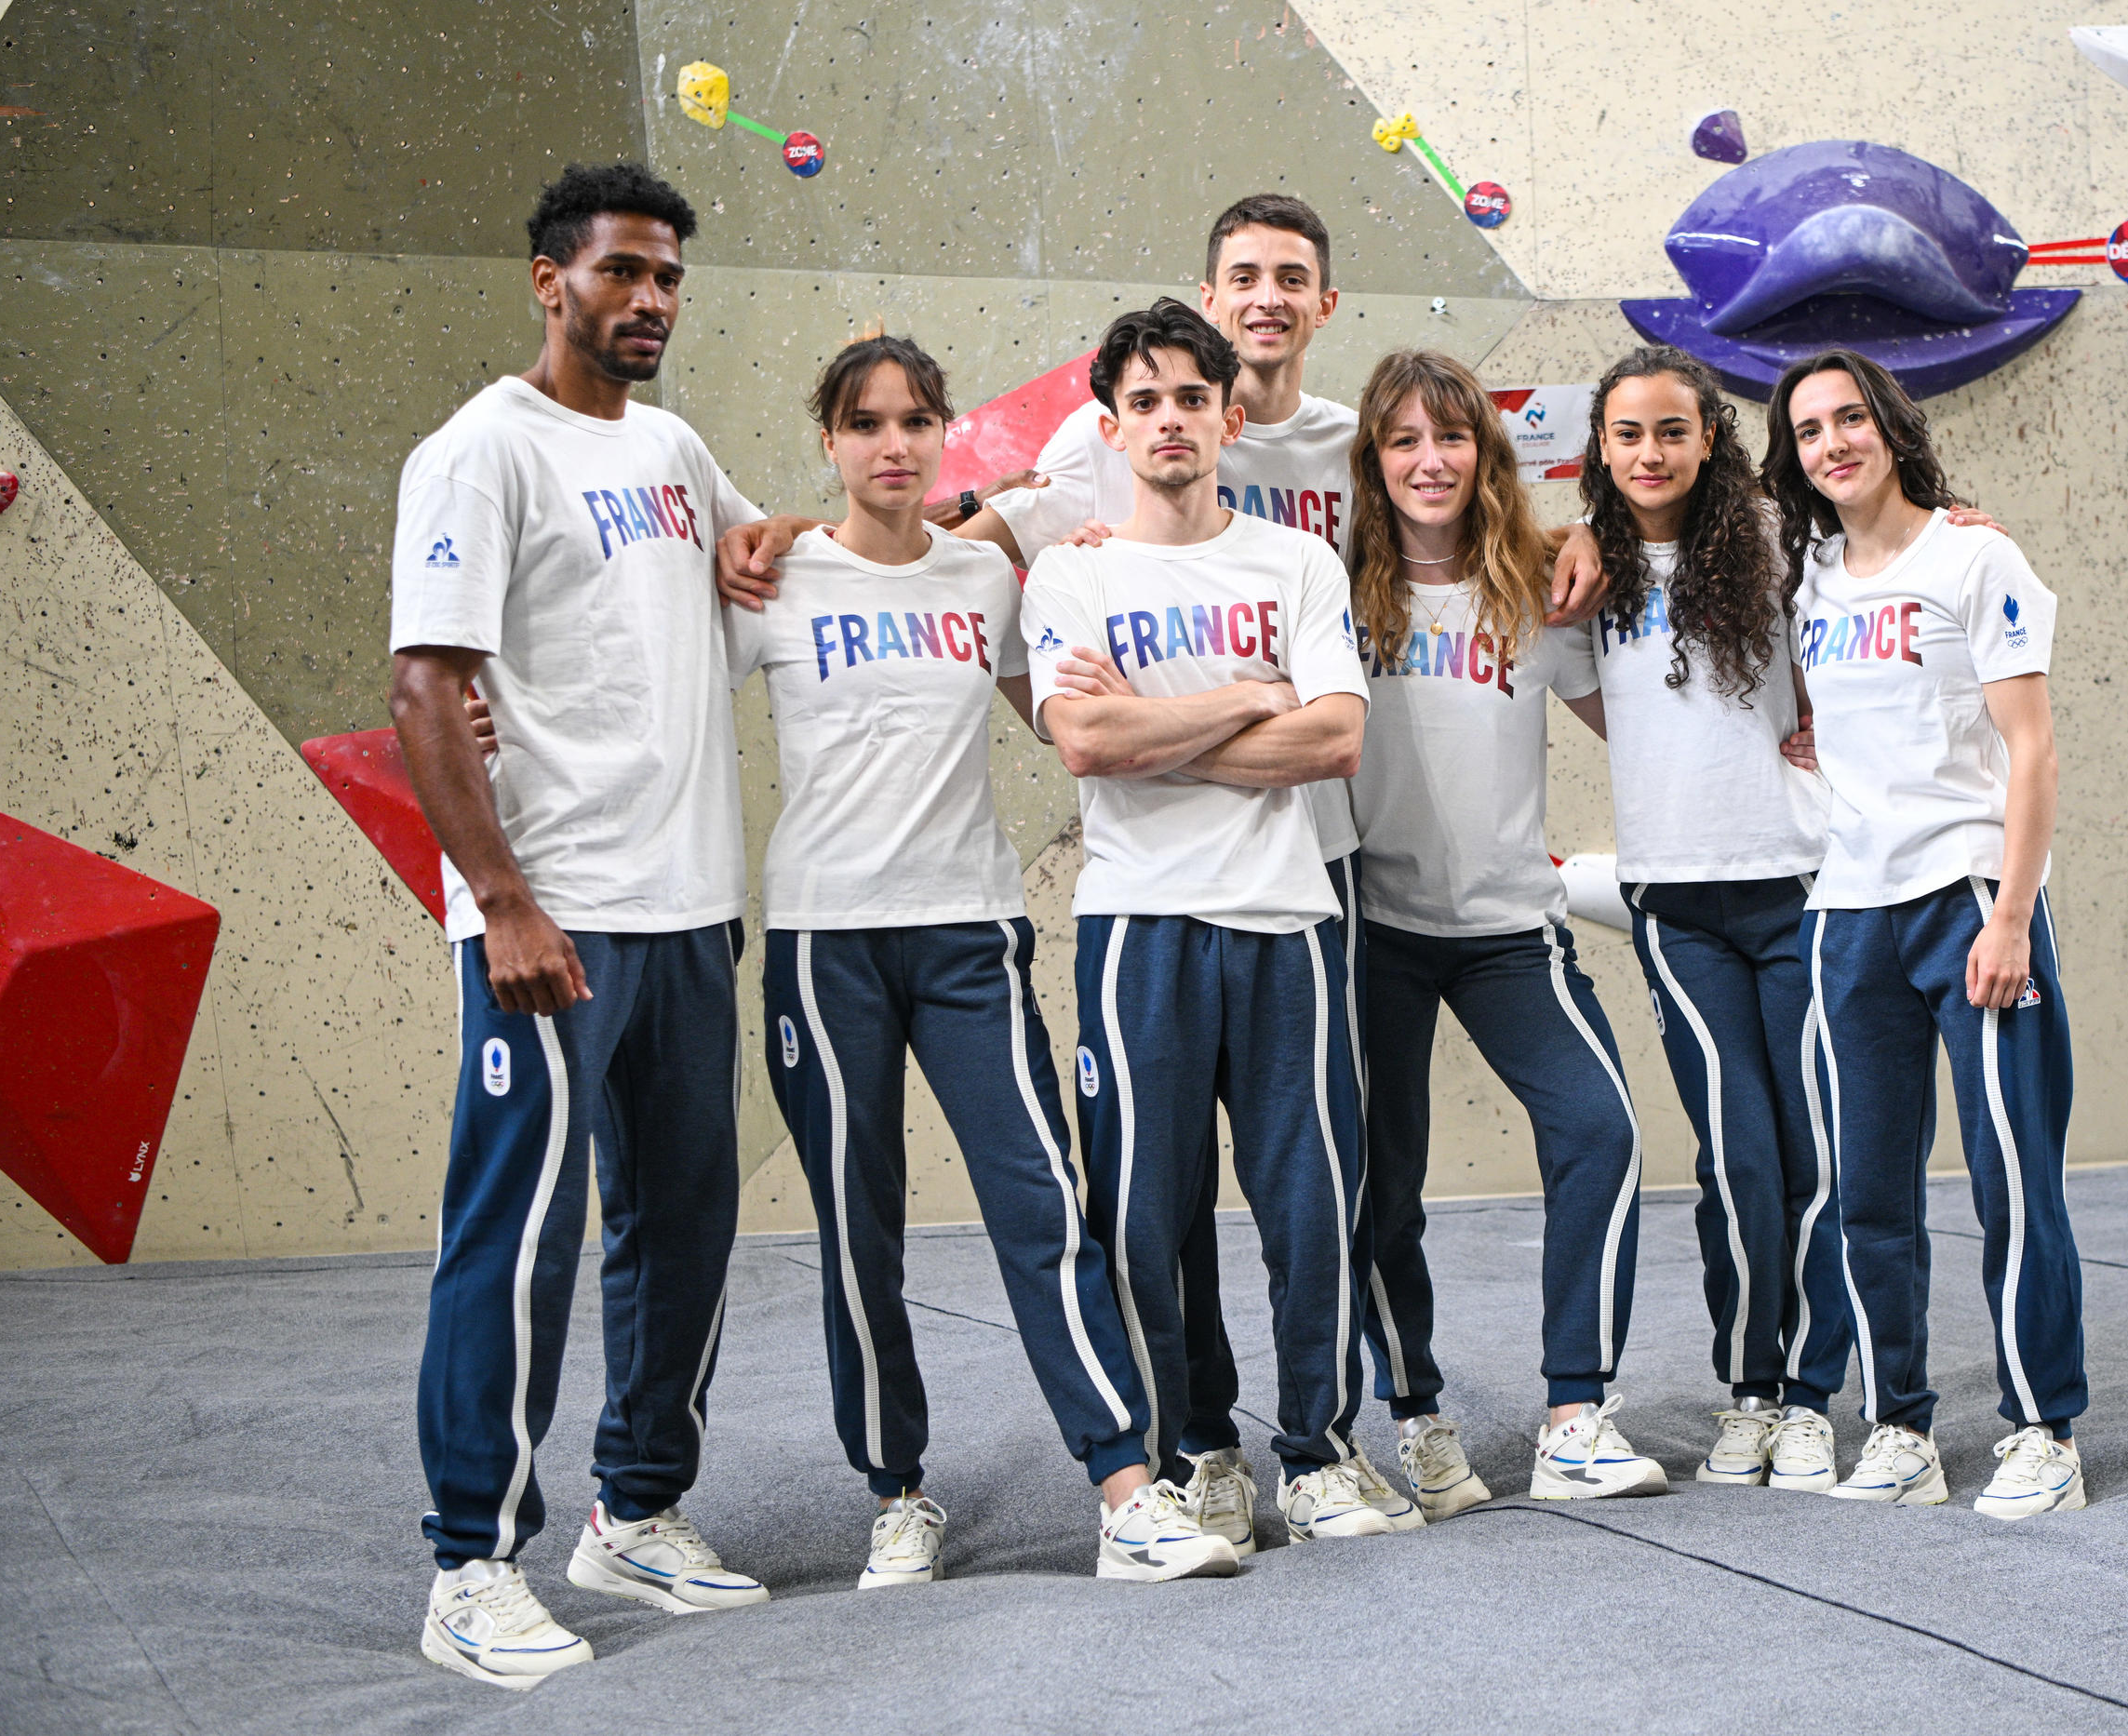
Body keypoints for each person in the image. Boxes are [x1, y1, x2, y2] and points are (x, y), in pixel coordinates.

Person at [725, 335, 1232, 1583]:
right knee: (857, 1225)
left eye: (914, 420)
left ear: (943, 432)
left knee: (1042, 1203)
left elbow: (1068, 722)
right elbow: (654, 677)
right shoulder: (775, 582)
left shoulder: (993, 581)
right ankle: (897, 1489)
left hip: (967, 933)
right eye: (864, 423)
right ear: (830, 441)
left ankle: (1126, 1486)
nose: (892, 444)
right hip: (823, 941)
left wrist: (1100, 611)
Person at [388, 162, 769, 1691]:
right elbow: (424, 689)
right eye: (621, 273)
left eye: (667, 277)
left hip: (688, 905)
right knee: (521, 1240)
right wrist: (503, 904)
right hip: (554, 918)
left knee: (683, 1230)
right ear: (550, 280)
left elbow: (763, 566)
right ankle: (470, 1565)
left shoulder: (675, 445)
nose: (650, 301)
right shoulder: (479, 452)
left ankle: (638, 1508)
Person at [1022, 297, 1390, 1545]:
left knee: (1309, 1203)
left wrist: (1160, 733)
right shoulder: (1074, 571)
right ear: (1112, 426)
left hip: (1286, 921)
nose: (1170, 420)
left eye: (1192, 397)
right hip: (1141, 924)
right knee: (1149, 1207)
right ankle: (1200, 1449)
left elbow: (1336, 738)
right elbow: (1082, 737)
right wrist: (1247, 696)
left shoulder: (1296, 561)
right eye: (1145, 401)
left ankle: (1322, 1451)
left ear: (1230, 416)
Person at [1764, 348, 2088, 1519]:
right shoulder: (1804, 574)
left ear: (1891, 427)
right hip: (1849, 916)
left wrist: (2009, 912)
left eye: (1850, 417)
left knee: (2011, 1180)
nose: (1832, 442)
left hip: (1969, 906)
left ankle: (2044, 1429)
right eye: (1807, 430)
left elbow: (2032, 748)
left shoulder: (1975, 555)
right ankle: (1897, 1426)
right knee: (1870, 1194)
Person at [1343, 351, 1662, 1505]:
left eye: (1452, 438)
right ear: (1373, 464)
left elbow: (1639, 721)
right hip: (1375, 928)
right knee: (1382, 1186)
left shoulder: (1537, 588)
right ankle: (1418, 1415)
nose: (1430, 462)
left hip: (1508, 931)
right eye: (1402, 442)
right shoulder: (1330, 585)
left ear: (1486, 451)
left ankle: (1575, 1413)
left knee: (1602, 1131)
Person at [1563, 344, 1851, 1494]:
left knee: (1814, 1155)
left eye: (1670, 431)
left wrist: (1821, 735)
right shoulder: (1585, 573)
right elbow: (1604, 709)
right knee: (1737, 1155)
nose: (1649, 453)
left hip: (1798, 887)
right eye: (1626, 435)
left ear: (1708, 438)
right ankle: (1752, 1389)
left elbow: (1881, 583)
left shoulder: (1783, 542)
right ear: (1601, 447)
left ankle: (1819, 1394)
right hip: (1677, 905)